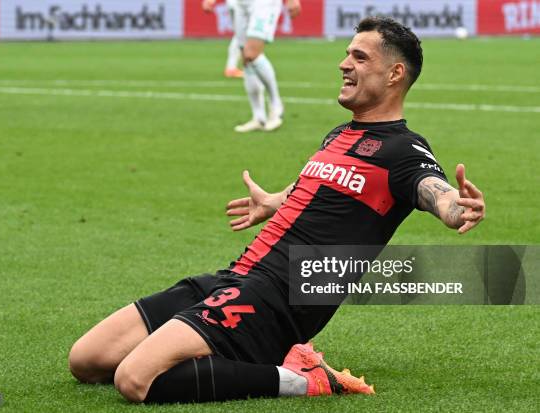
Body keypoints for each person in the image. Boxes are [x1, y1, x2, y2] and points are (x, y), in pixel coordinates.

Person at [68, 17, 486, 403]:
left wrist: (457, 208)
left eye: (360, 57)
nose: (344, 64)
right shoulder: (340, 135)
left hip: (277, 299)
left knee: (134, 380)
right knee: (87, 360)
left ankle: (304, 379)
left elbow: (434, 190)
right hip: (239, 275)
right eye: (347, 53)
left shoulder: (403, 150)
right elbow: (321, 186)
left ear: (396, 73)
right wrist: (274, 201)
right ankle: (236, 351)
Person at [203, 0, 302, 132]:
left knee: (251, 53)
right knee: (246, 58)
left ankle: (276, 105)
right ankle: (259, 117)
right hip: (240, 3)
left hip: (263, 3)